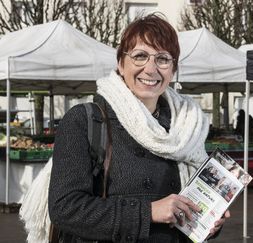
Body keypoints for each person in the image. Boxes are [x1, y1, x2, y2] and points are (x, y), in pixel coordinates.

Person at [48, 13, 228, 242]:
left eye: (162, 59)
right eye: (140, 56)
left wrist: (208, 222)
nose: (151, 69)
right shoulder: (84, 120)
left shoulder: (187, 127)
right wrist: (149, 211)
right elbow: (65, 208)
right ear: (121, 64)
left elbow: (187, 212)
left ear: (173, 70)